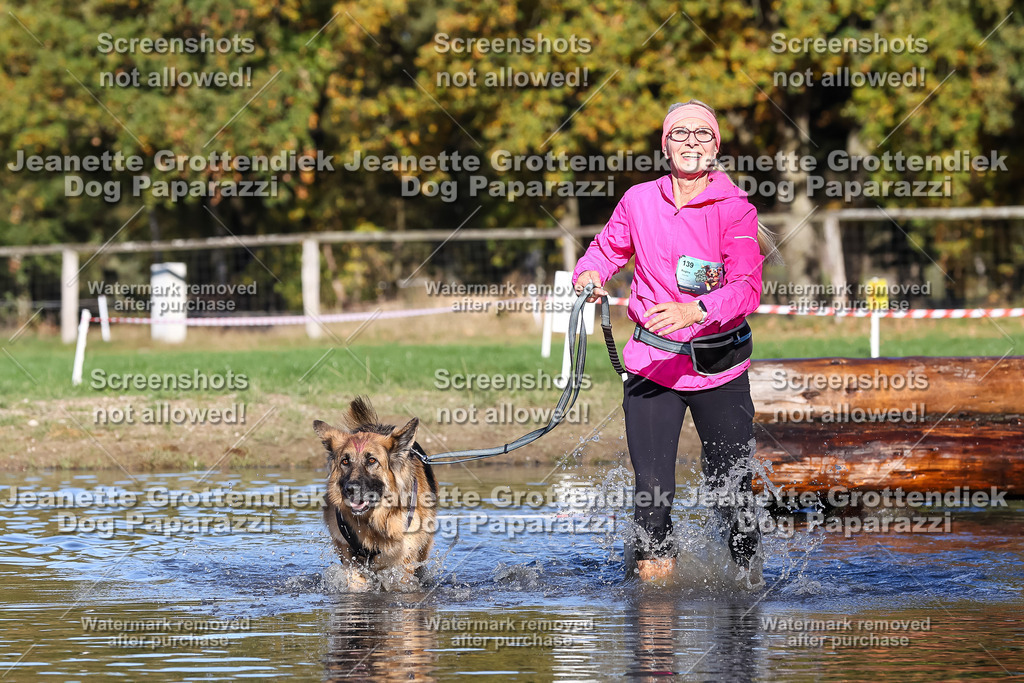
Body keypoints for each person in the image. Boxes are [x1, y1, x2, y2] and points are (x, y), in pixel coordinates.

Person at [573, 100, 771, 584]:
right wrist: (590, 275)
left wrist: (696, 310)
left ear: (716, 147)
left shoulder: (735, 209)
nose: (690, 142)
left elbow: (747, 287)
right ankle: (655, 615)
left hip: (717, 369)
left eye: (702, 135)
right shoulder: (639, 200)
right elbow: (604, 250)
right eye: (679, 133)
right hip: (651, 367)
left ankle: (748, 584)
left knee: (732, 493)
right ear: (664, 144)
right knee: (652, 492)